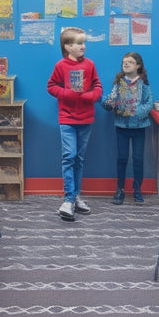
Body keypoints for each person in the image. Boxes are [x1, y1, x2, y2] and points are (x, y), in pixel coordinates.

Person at [47, 27, 102, 221]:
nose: (83, 46)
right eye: (79, 43)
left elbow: (98, 86)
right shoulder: (60, 66)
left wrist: (91, 96)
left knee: (78, 159)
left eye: (84, 42)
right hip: (67, 119)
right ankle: (68, 200)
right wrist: (67, 93)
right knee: (69, 156)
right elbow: (51, 86)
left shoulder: (90, 64)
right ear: (67, 46)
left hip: (86, 118)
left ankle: (75, 196)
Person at [102, 52, 153, 205]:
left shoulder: (143, 84)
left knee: (138, 159)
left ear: (138, 65)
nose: (126, 64)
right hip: (121, 126)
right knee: (122, 158)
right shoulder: (118, 83)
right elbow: (111, 100)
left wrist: (137, 112)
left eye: (130, 62)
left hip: (139, 127)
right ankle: (120, 189)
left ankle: (137, 189)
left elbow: (149, 103)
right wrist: (108, 104)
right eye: (124, 62)